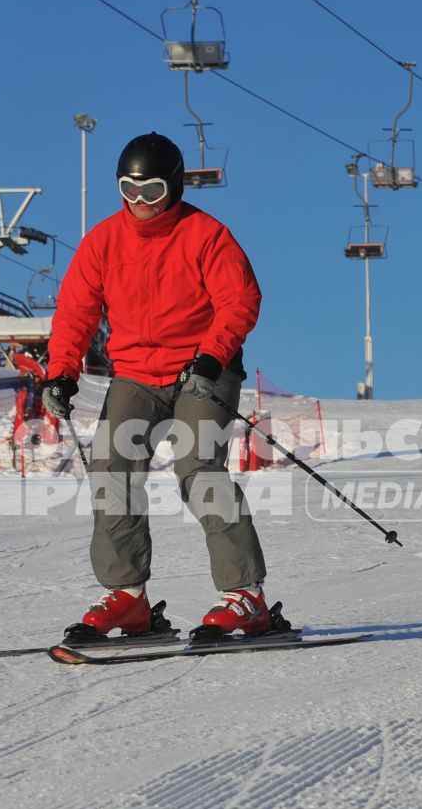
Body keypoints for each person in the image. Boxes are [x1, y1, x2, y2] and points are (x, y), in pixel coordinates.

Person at [41, 131, 270, 640]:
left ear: (176, 187)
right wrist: (61, 371)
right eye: (129, 190)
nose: (140, 204)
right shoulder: (103, 241)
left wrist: (211, 358)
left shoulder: (206, 235)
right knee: (112, 469)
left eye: (152, 193)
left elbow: (240, 301)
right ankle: (127, 597)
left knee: (198, 469)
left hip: (201, 371)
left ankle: (245, 596)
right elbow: (76, 312)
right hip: (136, 375)